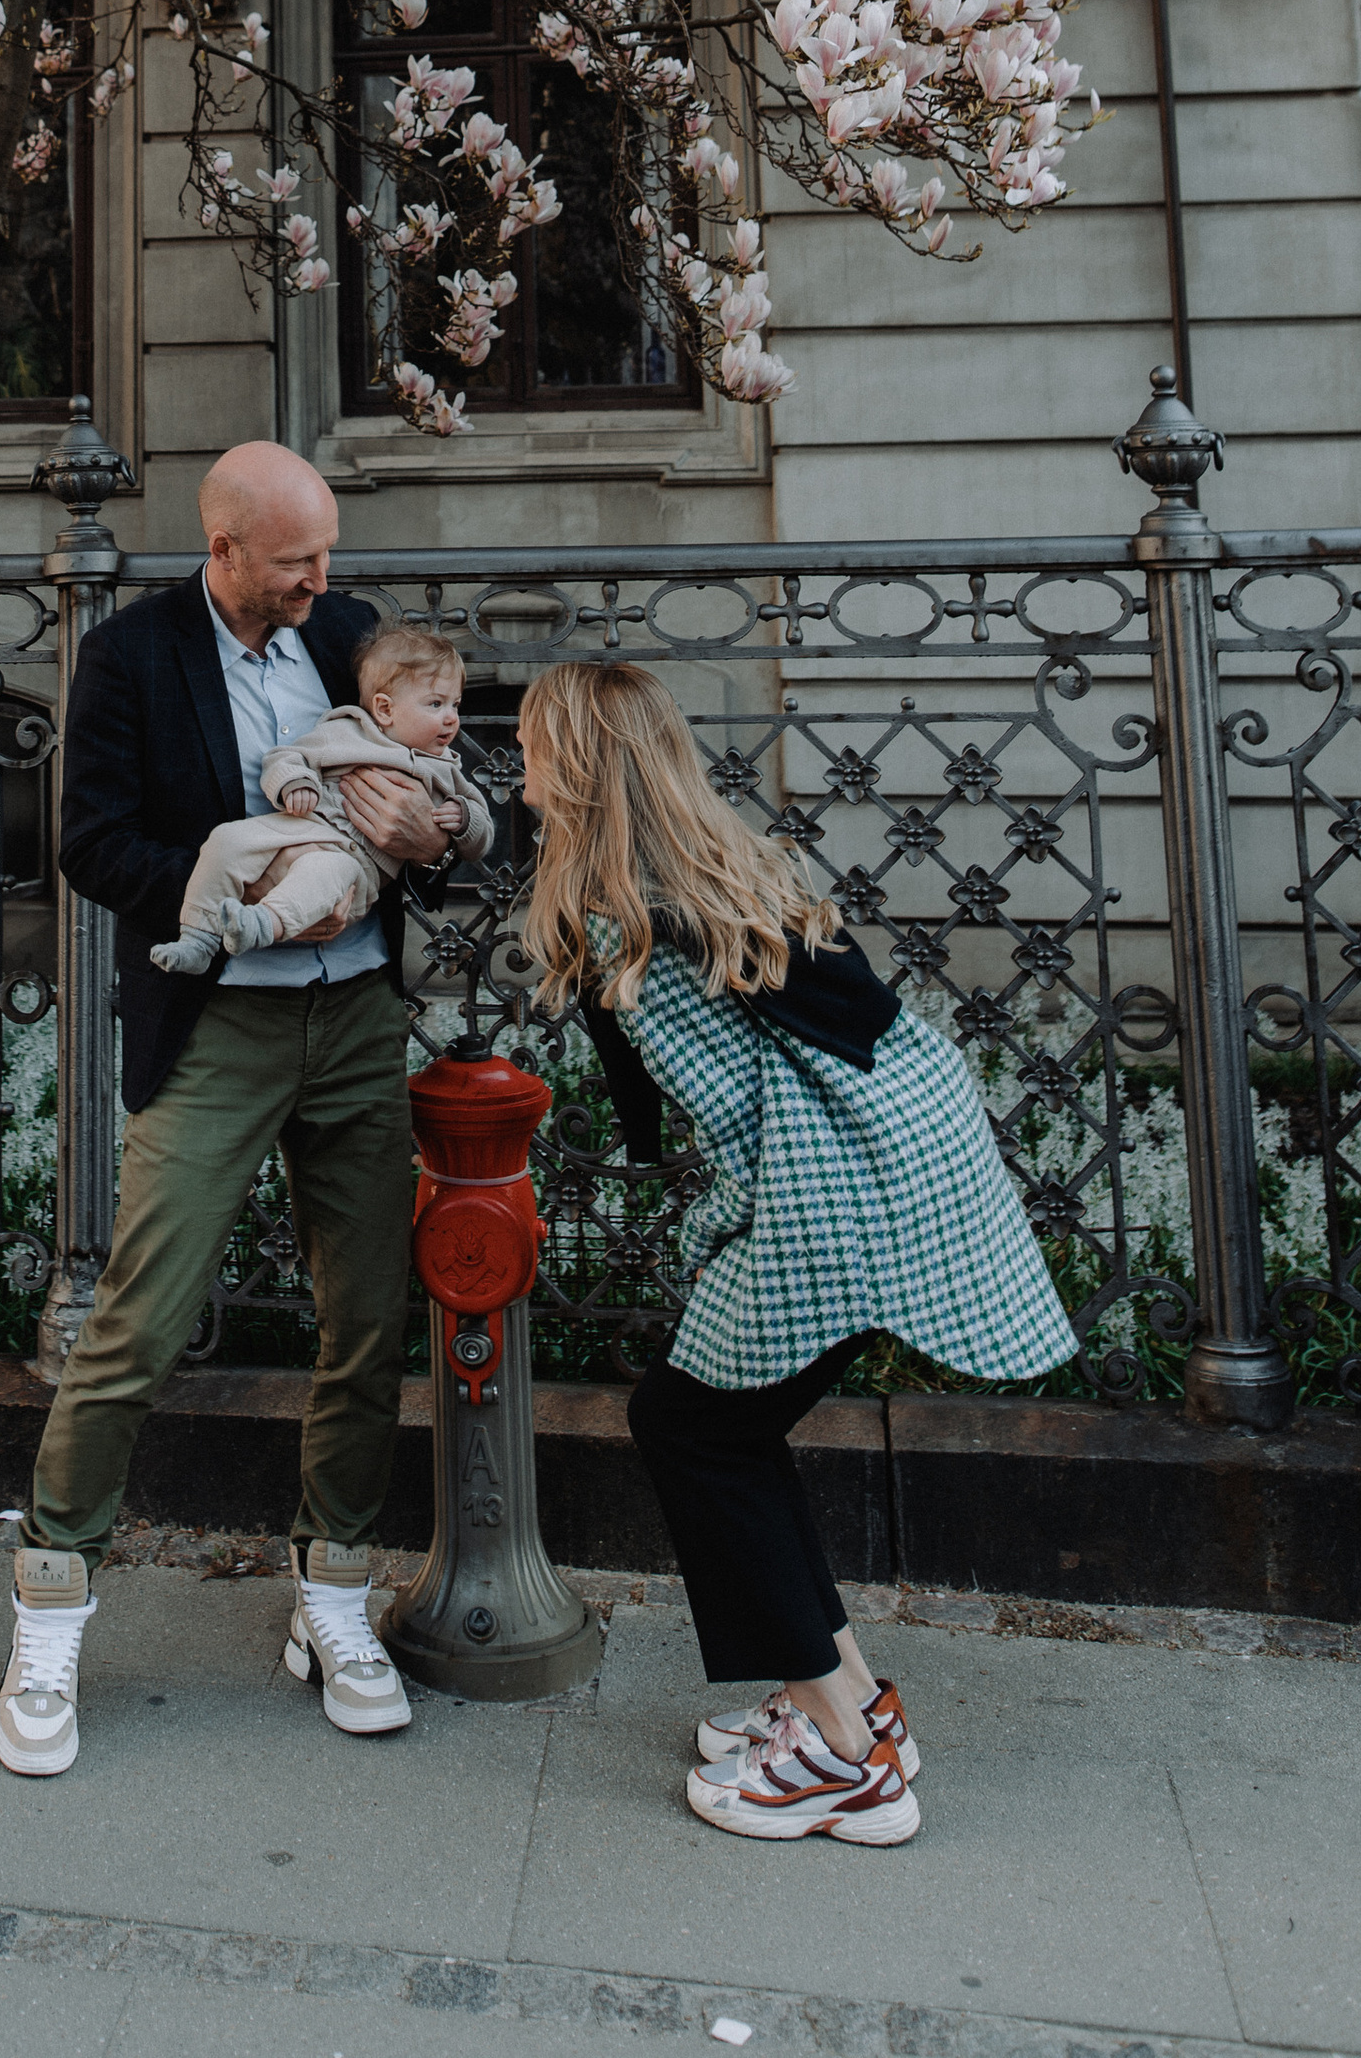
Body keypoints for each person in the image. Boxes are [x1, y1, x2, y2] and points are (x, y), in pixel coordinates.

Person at [515, 657, 1078, 1848]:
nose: (519, 780)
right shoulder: (723, 870)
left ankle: (848, 1762)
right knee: (722, 1428)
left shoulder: (634, 919)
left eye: (528, 755)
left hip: (838, 1189)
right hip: (897, 1158)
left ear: (574, 769)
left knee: (694, 1430)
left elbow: (731, 1099)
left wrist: (716, 1221)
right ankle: (855, 1706)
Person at [0, 445, 475, 1779]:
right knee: (135, 1321)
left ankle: (333, 1592)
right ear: (223, 549)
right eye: (295, 561)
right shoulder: (134, 654)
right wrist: (240, 890)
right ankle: (50, 1606)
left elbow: (447, 786)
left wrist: (432, 839)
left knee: (367, 1318)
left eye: (326, 555)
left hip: (356, 1019)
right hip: (221, 1028)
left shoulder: (351, 634)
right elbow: (90, 843)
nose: (322, 581)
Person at [149, 622, 490, 976]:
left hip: (353, 866)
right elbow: (286, 757)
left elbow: (482, 833)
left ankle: (260, 924)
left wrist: (464, 818)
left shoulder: (446, 768)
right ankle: (197, 938)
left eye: (455, 704)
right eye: (436, 704)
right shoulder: (344, 732)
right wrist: (294, 782)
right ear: (385, 709)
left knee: (321, 873)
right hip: (298, 827)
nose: (451, 718)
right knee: (226, 839)